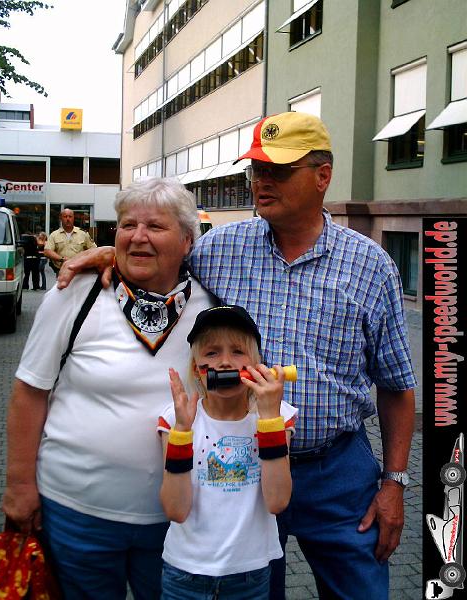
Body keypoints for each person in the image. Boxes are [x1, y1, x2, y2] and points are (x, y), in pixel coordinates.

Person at [58, 112, 417, 600]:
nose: (262, 181)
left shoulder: (371, 266)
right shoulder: (218, 249)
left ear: (323, 176)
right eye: (256, 170)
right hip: (238, 467)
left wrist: (394, 482)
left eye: (279, 170)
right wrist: (108, 253)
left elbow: (396, 385)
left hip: (336, 474)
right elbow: (155, 256)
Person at [2, 178, 214, 600]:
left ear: (188, 241)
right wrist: (19, 485)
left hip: (179, 518)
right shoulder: (74, 295)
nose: (138, 236)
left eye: (155, 226)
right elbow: (29, 393)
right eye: (127, 224)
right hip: (77, 515)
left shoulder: (211, 309)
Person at [158, 305, 297, 599]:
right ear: (197, 367)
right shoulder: (175, 418)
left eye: (237, 351)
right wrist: (182, 431)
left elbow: (277, 501)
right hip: (185, 573)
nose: (224, 362)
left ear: (257, 364)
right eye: (211, 353)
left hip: (250, 574)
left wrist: (269, 417)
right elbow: (175, 509)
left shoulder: (276, 417)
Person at [44, 208, 96, 276]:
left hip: (80, 272)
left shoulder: (83, 234)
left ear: (73, 218)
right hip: (62, 271)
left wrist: (84, 260)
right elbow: (47, 251)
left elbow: (94, 250)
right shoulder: (54, 235)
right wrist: (62, 259)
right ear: (61, 218)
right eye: (65, 216)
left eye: (70, 216)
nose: (68, 219)